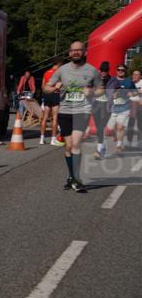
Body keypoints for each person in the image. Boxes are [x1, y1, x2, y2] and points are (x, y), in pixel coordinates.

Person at [44, 41, 102, 193]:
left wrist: (92, 92)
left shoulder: (92, 71)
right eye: (73, 50)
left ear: (85, 52)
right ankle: (71, 177)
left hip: (82, 110)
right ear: (69, 53)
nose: (76, 53)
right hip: (65, 111)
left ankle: (77, 178)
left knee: (76, 144)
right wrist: (54, 87)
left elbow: (101, 90)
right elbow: (46, 88)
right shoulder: (62, 70)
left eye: (79, 50)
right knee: (68, 147)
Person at [105, 64, 140, 155]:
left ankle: (119, 146)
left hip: (125, 108)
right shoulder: (112, 80)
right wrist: (112, 95)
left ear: (125, 71)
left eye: (122, 70)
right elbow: (107, 92)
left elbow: (135, 91)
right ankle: (116, 136)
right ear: (116, 71)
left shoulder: (129, 81)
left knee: (120, 127)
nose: (120, 71)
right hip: (113, 108)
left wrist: (132, 94)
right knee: (110, 128)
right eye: (118, 69)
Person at [91, 61, 113, 159]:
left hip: (106, 106)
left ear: (108, 71)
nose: (104, 72)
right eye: (102, 70)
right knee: (98, 127)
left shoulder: (111, 80)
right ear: (99, 70)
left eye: (106, 70)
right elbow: (89, 90)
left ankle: (99, 149)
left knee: (101, 126)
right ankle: (102, 146)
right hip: (96, 105)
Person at [40, 58, 63, 146]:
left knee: (45, 117)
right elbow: (60, 85)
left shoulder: (46, 72)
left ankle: (42, 138)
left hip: (46, 95)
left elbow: (43, 86)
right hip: (55, 94)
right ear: (58, 64)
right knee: (55, 117)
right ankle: (53, 139)